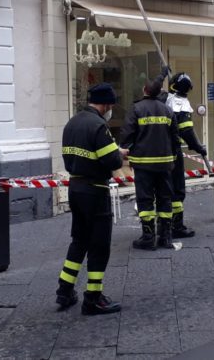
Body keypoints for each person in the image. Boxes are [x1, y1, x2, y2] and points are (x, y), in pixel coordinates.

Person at [56, 83, 126, 315]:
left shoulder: (72, 122)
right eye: (111, 105)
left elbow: (86, 152)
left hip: (75, 187)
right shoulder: (99, 125)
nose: (110, 109)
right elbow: (112, 162)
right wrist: (118, 153)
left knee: (79, 240)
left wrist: (114, 151)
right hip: (95, 190)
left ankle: (64, 291)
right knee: (99, 246)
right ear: (106, 104)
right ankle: (93, 298)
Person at [121, 71, 180, 250]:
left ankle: (148, 237)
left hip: (143, 164)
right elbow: (175, 139)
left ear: (144, 90)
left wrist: (124, 149)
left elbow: (127, 136)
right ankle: (166, 237)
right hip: (165, 165)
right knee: (165, 199)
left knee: (145, 200)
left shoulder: (136, 109)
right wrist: (173, 159)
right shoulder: (168, 111)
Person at [163, 72, 207, 238]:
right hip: (173, 152)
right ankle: (177, 226)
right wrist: (198, 148)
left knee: (162, 190)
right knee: (177, 190)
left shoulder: (164, 99)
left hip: (159, 151)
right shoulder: (182, 105)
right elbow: (187, 131)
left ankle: (163, 226)